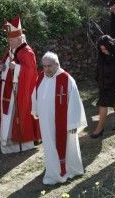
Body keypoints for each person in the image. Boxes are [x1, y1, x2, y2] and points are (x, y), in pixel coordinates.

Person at [32, 52, 87, 185]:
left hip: (64, 123)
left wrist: (73, 123)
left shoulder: (66, 79)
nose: (46, 69)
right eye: (44, 66)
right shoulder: (41, 77)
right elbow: (35, 95)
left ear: (57, 64)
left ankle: (70, 170)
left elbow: (75, 102)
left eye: (49, 66)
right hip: (45, 121)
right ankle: (53, 171)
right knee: (49, 146)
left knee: (68, 147)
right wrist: (36, 110)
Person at [0, 16, 41, 153]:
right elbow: (6, 62)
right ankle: (10, 135)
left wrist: (16, 68)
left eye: (12, 40)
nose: (9, 43)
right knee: (9, 113)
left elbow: (30, 71)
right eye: (9, 40)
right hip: (8, 87)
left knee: (21, 112)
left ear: (19, 39)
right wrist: (2, 67)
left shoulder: (26, 52)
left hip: (20, 89)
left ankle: (25, 138)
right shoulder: (11, 49)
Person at [91, 35, 115, 138]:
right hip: (103, 85)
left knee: (103, 105)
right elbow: (98, 68)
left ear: (110, 46)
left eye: (105, 49)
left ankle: (99, 129)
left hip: (114, 86)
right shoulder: (101, 54)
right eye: (101, 49)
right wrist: (97, 78)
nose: (103, 51)